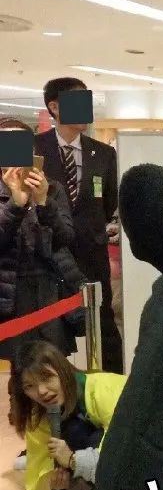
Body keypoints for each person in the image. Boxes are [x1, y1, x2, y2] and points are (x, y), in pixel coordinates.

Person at [35, 77, 123, 374]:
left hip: (92, 257)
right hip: (49, 257)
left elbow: (108, 202)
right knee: (51, 334)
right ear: (54, 107)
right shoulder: (34, 149)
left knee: (104, 329)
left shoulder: (104, 153)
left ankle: (112, 389)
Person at [11, 340, 126, 490]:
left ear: (63, 370)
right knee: (70, 433)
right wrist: (58, 488)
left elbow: (124, 455)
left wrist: (73, 460)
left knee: (85, 436)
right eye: (29, 386)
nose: (41, 391)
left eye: (46, 377)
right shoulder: (39, 417)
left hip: (153, 452)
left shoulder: (103, 390)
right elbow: (39, 469)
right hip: (100, 459)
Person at [0, 118, 80, 360]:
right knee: (18, 369)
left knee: (53, 366)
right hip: (11, 296)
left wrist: (44, 202)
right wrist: (15, 205)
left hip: (50, 292)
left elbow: (66, 238)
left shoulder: (51, 188)